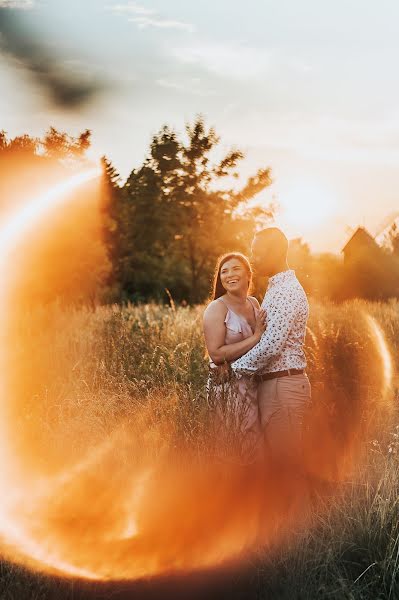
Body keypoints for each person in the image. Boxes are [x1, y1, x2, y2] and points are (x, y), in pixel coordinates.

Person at [231, 228, 311, 514]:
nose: (253, 257)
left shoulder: (287, 291)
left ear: (275, 252)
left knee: (287, 464)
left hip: (283, 386)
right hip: (274, 386)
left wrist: (234, 370)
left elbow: (272, 346)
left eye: (257, 251)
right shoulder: (276, 288)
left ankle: (302, 540)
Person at [203, 252, 266, 461]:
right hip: (228, 387)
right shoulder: (217, 308)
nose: (229, 274)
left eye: (235, 269)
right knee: (234, 448)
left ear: (249, 274)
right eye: (224, 271)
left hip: (254, 385)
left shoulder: (255, 304)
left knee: (257, 445)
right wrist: (255, 337)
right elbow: (216, 353)